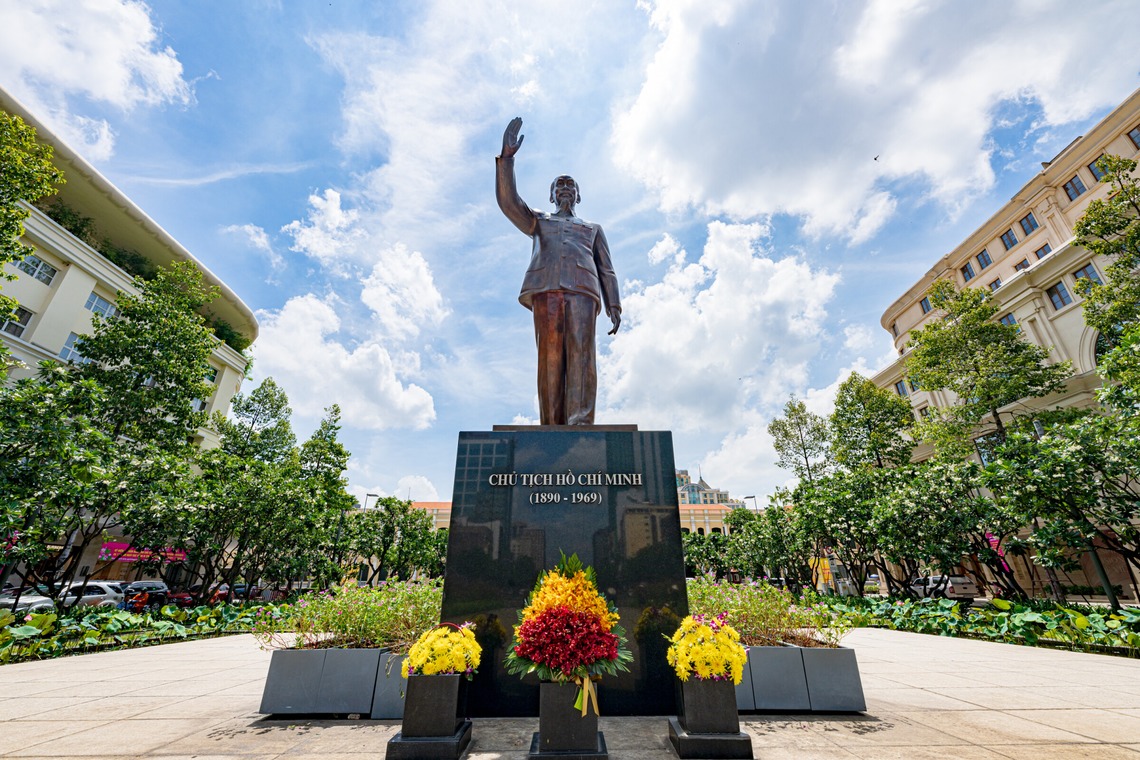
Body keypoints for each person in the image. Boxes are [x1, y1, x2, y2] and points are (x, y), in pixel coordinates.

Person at [496, 117, 621, 425]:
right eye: (559, 185)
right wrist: (507, 160)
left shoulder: (592, 228)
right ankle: (551, 423)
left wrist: (614, 304)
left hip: (583, 290)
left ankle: (580, 420)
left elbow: (607, 269)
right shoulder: (538, 220)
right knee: (550, 358)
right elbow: (509, 202)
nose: (565, 189)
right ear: (551, 195)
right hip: (546, 289)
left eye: (570, 185)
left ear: (578, 195)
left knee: (582, 356)